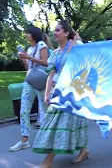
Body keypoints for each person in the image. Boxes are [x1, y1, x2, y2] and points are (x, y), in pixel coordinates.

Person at [32, 21, 89, 167]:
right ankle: (83, 151)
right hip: (58, 93)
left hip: (74, 93)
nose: (54, 33)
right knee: (67, 124)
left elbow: (87, 63)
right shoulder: (55, 54)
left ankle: (48, 160)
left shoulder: (77, 48)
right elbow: (51, 75)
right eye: (54, 31)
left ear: (66, 32)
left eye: (58, 30)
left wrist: (77, 39)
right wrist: (46, 95)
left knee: (64, 123)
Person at [10, 26, 48, 152]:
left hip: (40, 80)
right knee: (23, 110)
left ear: (33, 34)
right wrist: (24, 59)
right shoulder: (29, 48)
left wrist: (29, 58)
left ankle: (48, 137)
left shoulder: (41, 44)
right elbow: (29, 68)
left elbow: (46, 62)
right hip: (29, 80)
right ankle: (24, 140)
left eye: (27, 33)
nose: (26, 35)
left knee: (44, 108)